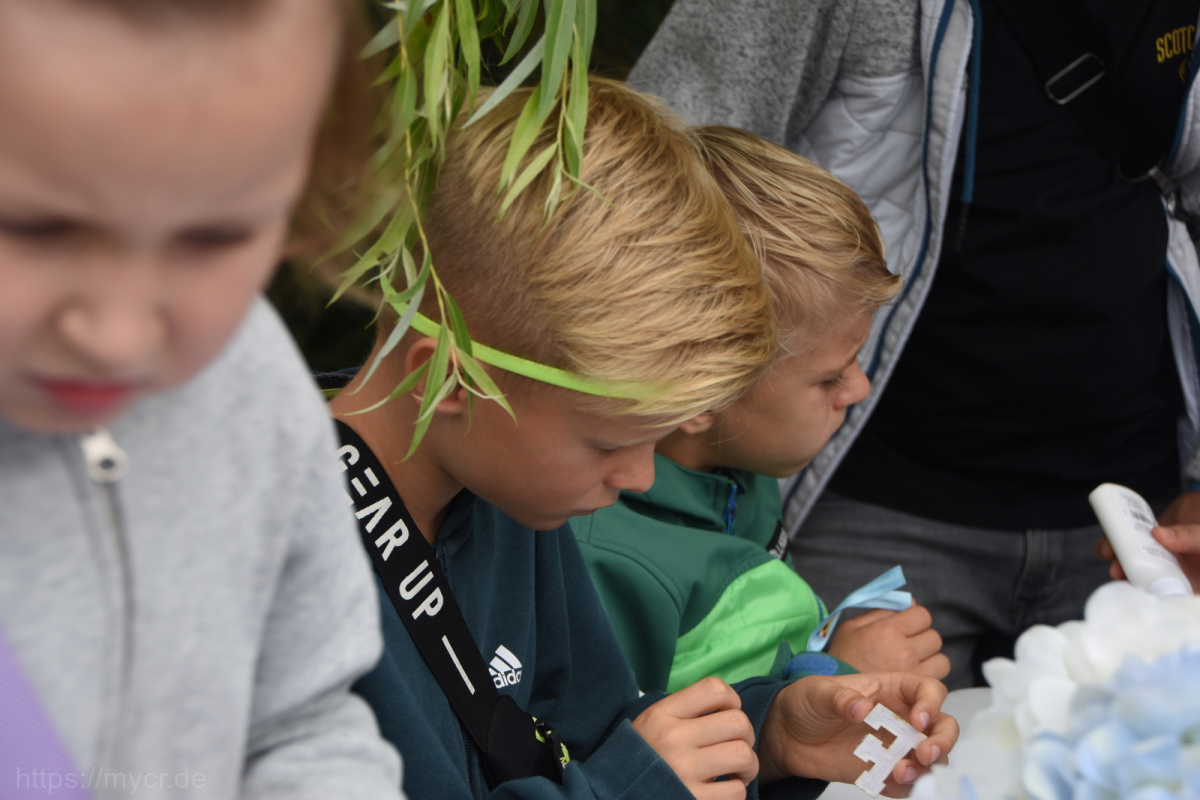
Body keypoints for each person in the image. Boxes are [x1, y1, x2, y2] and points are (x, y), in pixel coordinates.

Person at [329, 78, 957, 800]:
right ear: (447, 382)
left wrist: (770, 737)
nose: (642, 477)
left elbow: (595, 738)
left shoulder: (506, 491)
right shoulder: (281, 578)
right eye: (606, 444)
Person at [629, 0, 1200, 688]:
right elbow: (645, 195)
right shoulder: (618, 543)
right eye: (835, 374)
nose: (856, 383)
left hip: (1138, 504)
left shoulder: (744, 495)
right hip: (870, 497)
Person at [0, 1, 403, 797]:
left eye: (215, 237)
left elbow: (302, 716)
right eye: (35, 228)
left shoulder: (254, 382)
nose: (118, 336)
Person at [572, 126, 949, 694]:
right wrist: (839, 678)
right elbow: (634, 742)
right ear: (702, 393)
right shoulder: (600, 559)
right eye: (830, 377)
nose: (859, 388)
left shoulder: (738, 467)